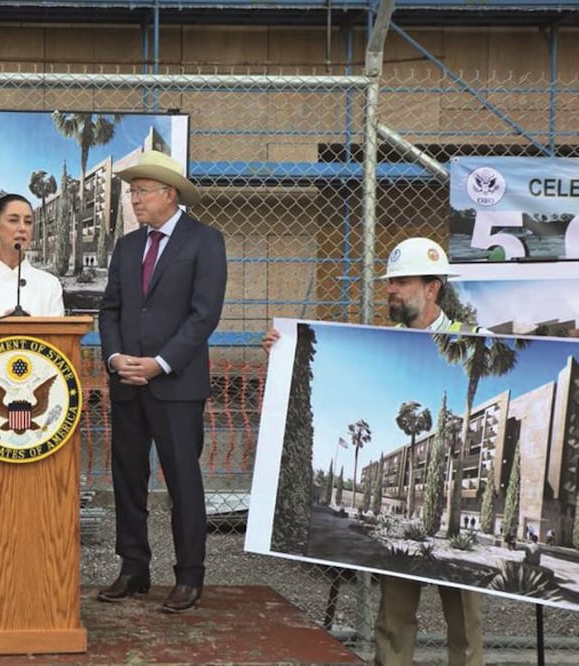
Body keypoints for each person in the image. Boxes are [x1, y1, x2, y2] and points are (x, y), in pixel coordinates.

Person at [263, 236, 483, 666]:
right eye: (390, 282)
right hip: (408, 517)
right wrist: (282, 351)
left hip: (453, 506)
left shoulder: (473, 341)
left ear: (432, 287)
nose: (391, 290)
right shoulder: (383, 343)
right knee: (394, 617)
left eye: (402, 282)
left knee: (466, 623)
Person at [96, 150, 227, 613]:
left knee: (183, 483)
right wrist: (114, 358)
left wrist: (160, 362)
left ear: (168, 194)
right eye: (131, 192)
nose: (134, 200)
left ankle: (189, 575)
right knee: (127, 479)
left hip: (176, 386)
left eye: (141, 192)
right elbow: (110, 309)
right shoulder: (128, 247)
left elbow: (203, 316)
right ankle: (134, 568)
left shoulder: (204, 241)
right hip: (127, 384)